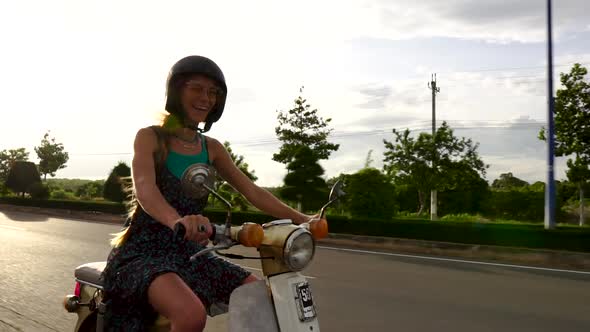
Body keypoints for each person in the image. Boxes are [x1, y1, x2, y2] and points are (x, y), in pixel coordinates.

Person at [100, 55, 312, 332]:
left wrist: (303, 218)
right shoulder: (150, 137)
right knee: (190, 316)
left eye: (213, 92)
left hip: (190, 253)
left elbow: (252, 191)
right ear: (177, 91)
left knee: (260, 300)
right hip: (143, 253)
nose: (206, 98)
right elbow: (145, 189)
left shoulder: (211, 148)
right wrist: (177, 220)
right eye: (196, 88)